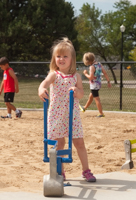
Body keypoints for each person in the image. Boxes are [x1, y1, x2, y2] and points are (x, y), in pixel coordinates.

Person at [38, 38, 96, 182]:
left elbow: (82, 94)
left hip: (72, 116)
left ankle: (86, 170)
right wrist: (41, 88)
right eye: (58, 56)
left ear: (72, 59)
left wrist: (77, 91)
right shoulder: (54, 74)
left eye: (65, 56)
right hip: (57, 115)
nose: (61, 59)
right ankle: (60, 171)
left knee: (79, 143)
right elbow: (44, 83)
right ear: (54, 59)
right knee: (60, 144)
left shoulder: (76, 76)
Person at [79, 52, 111, 117]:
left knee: (97, 99)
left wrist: (85, 74)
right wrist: (108, 81)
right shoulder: (99, 64)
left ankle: (101, 113)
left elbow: (91, 77)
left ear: (87, 60)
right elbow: (105, 73)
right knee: (91, 96)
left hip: (94, 85)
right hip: (98, 84)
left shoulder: (92, 67)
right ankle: (84, 107)